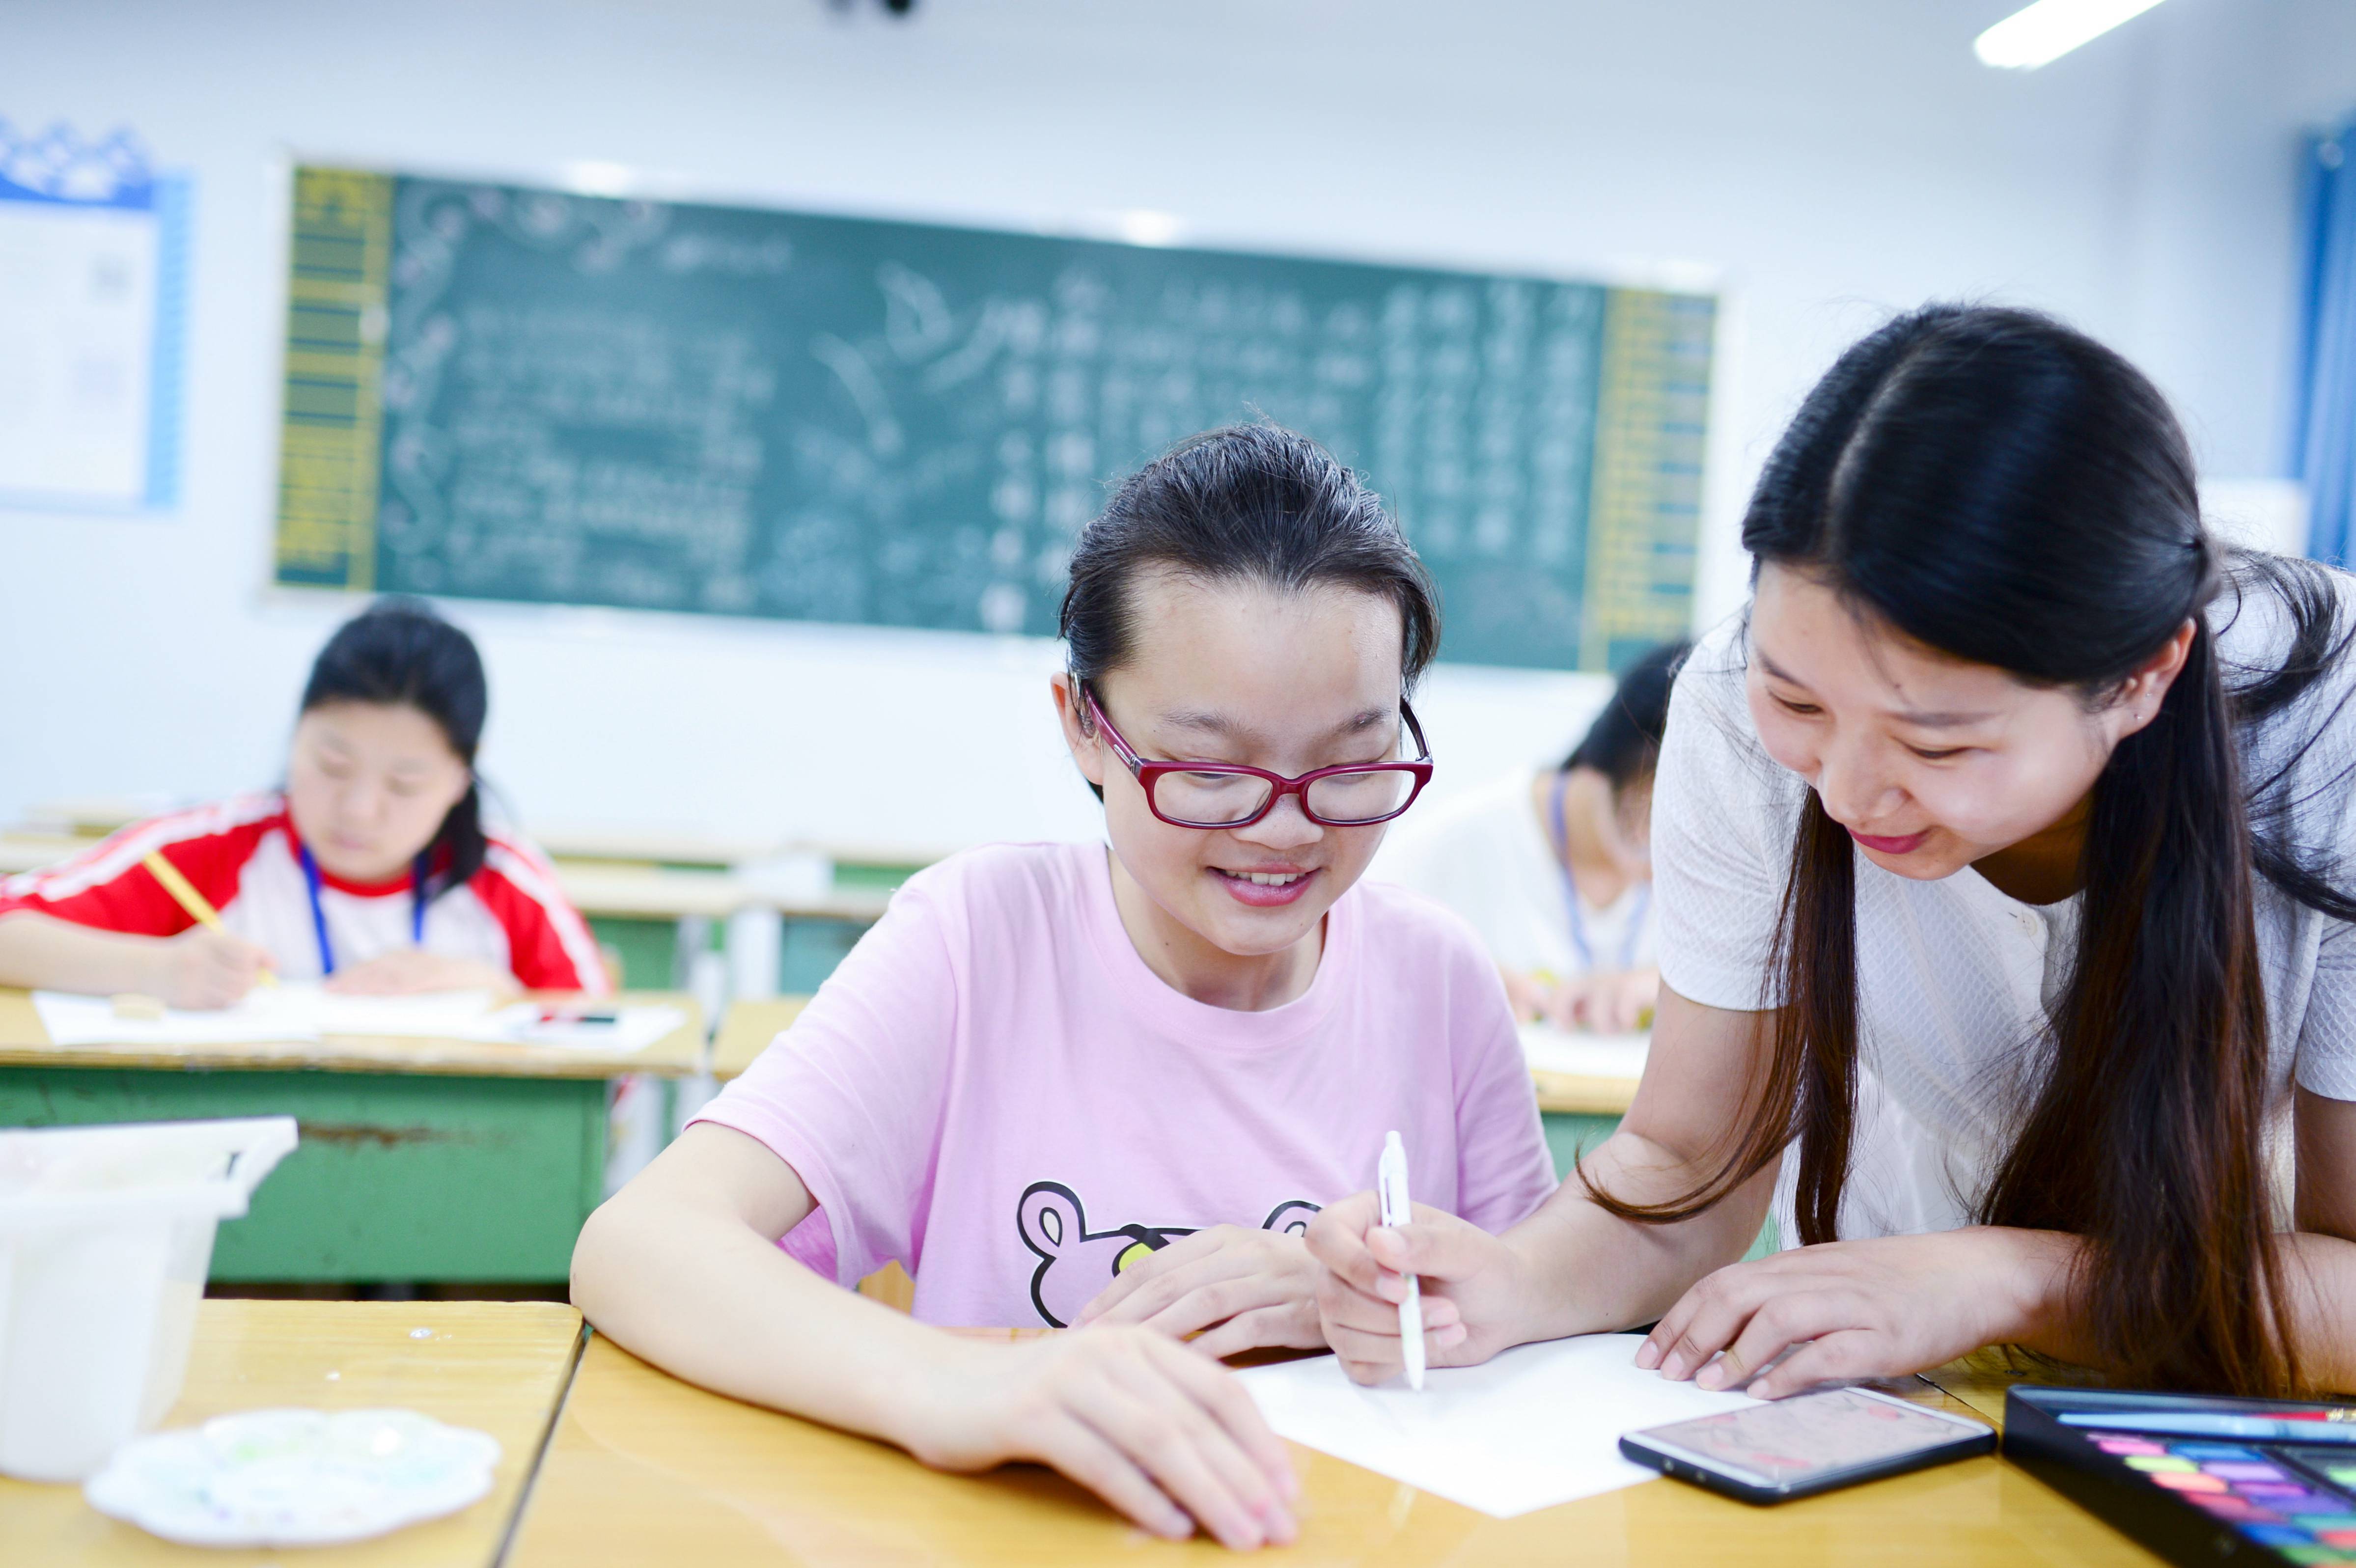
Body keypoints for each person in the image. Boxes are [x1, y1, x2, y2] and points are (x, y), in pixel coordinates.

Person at [1306, 303, 2356, 1402]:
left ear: (2144, 674)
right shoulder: (1726, 716)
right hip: (1897, 1388)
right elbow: (1684, 1167)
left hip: (2213, 1377)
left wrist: (2010, 1278)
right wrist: (1507, 1280)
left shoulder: (2325, 730)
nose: (1846, 791)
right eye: (1796, 698)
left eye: (1935, 739)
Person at [570, 425, 1558, 1550]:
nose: (1284, 826)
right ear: (1084, 730)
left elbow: (1530, 1328)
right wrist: (962, 1387)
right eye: (1212, 771)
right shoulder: (978, 942)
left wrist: (1347, 1307)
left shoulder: (1438, 981)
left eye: (1348, 764)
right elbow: (640, 1244)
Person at [0, 598, 607, 1005]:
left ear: (460, 778)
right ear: (296, 734)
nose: (359, 808)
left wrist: (497, 992)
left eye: (405, 784)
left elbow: (616, 1066)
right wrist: (155, 971)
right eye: (332, 765)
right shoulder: (213, 850)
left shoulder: (505, 881)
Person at [1379, 641, 1686, 1033]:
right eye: (1651, 808)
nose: (1669, 844)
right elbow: (1348, 955)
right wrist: (1439, 982)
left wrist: (1671, 988)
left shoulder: (1716, 866)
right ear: (1606, 762)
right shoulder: (1459, 840)